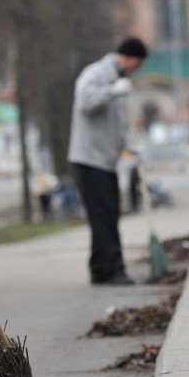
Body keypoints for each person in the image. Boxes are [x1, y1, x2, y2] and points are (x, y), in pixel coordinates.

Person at [67, 36, 148, 286]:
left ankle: (100, 268)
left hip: (105, 160)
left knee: (107, 215)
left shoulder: (115, 79)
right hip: (90, 158)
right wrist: (113, 91)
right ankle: (113, 269)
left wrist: (128, 146)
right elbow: (86, 102)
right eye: (138, 64)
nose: (136, 70)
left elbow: (116, 122)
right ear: (130, 58)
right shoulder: (97, 73)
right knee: (104, 215)